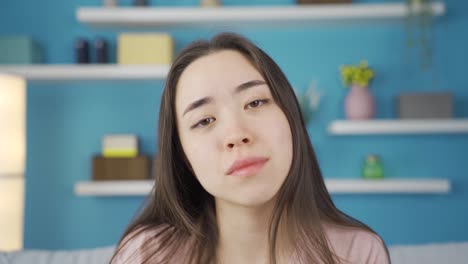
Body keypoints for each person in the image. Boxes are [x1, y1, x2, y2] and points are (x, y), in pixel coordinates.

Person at [110, 32, 390, 264]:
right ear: (183, 157)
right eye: (205, 120)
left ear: (292, 119)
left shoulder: (359, 253)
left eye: (255, 103)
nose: (236, 134)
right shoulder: (146, 255)